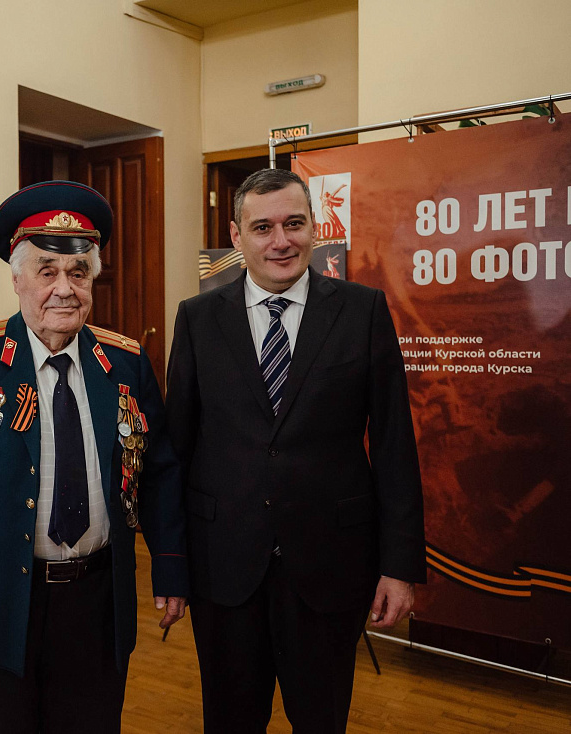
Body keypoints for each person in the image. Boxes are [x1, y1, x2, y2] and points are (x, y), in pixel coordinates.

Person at [0, 180, 188, 733]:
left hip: (96, 605)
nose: (64, 289)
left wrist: (170, 566)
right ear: (16, 279)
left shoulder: (126, 363)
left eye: (78, 272)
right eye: (46, 272)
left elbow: (158, 471)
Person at [165, 168, 426, 733]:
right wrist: (170, 566)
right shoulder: (197, 319)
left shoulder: (363, 311)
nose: (280, 241)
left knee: (321, 720)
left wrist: (399, 567)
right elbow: (175, 452)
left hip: (330, 566)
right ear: (236, 237)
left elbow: (394, 446)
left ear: (314, 228)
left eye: (294, 223)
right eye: (262, 227)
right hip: (224, 569)